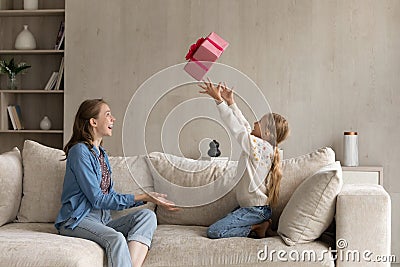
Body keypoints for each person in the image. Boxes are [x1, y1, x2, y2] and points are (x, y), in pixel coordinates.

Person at [55, 99, 178, 267]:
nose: (113, 119)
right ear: (93, 122)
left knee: (147, 216)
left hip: (102, 220)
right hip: (77, 221)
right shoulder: (79, 152)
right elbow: (97, 199)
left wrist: (145, 199)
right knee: (116, 238)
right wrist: (144, 196)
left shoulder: (101, 154)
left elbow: (109, 195)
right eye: (107, 115)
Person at [199, 80, 289, 239]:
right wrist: (231, 103)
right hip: (253, 208)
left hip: (254, 210)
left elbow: (237, 128)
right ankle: (261, 225)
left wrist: (219, 101)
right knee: (219, 226)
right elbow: (245, 127)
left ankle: (257, 227)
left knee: (214, 232)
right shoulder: (263, 147)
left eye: (259, 123)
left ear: (267, 134)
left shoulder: (261, 148)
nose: (254, 122)